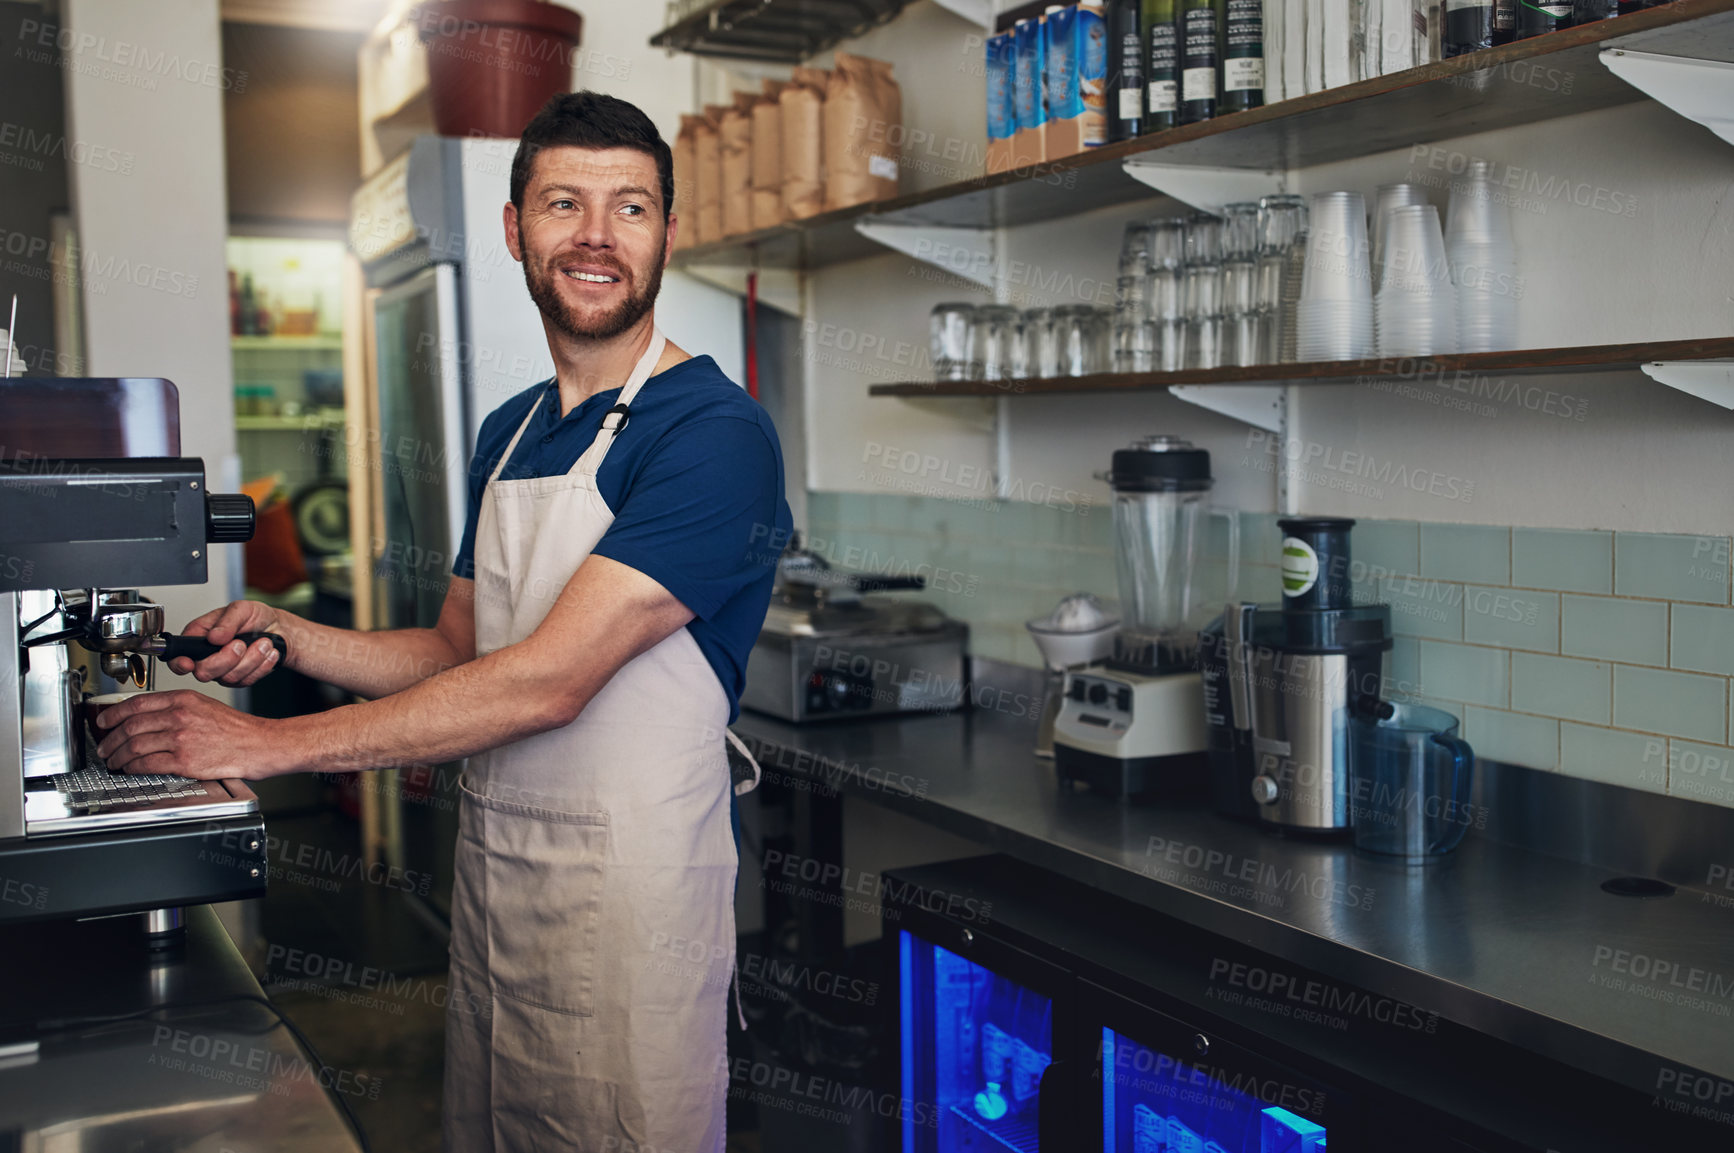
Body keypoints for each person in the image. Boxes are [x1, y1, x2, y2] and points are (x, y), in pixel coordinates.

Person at [95, 91, 792, 1152]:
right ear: (516, 229)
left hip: (635, 912)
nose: (598, 236)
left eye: (632, 208)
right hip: (502, 882)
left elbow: (546, 681)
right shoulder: (508, 431)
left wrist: (267, 740)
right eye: (565, 203)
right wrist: (293, 636)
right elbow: (463, 652)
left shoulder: (715, 433)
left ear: (667, 233)